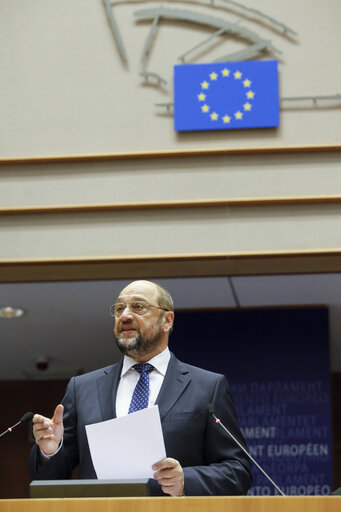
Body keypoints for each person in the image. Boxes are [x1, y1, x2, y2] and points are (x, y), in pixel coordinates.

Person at [30, 280, 252, 496]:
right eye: (119, 309)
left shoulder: (207, 387)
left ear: (167, 320)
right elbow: (50, 479)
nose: (125, 315)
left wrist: (186, 480)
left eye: (138, 307)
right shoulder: (82, 388)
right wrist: (51, 451)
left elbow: (238, 471)